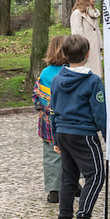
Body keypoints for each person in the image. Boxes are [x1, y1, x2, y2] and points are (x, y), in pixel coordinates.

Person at [50, 34, 107, 219]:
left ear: (64, 55)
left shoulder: (56, 80)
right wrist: (107, 136)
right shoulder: (93, 81)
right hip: (84, 134)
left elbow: (52, 110)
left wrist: (56, 138)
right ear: (88, 53)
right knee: (97, 175)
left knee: (69, 177)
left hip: (64, 132)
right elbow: (99, 111)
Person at [35, 36, 67, 204]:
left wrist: (42, 108)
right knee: (72, 153)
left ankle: (54, 190)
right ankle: (73, 183)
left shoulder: (45, 73)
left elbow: (37, 96)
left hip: (49, 121)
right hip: (69, 120)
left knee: (51, 155)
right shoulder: (71, 71)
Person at [70, 0, 103, 79]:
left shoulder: (93, 13)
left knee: (95, 74)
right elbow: (77, 33)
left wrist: (100, 45)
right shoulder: (77, 13)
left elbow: (97, 30)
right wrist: (83, 48)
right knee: (86, 73)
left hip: (94, 48)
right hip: (85, 48)